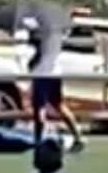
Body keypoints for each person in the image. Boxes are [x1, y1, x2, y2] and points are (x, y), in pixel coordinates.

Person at [26, 18, 84, 153]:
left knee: (39, 109)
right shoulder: (55, 35)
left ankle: (38, 141)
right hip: (54, 73)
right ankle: (78, 136)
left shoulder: (43, 37)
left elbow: (38, 55)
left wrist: (31, 63)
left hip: (42, 74)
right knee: (58, 105)